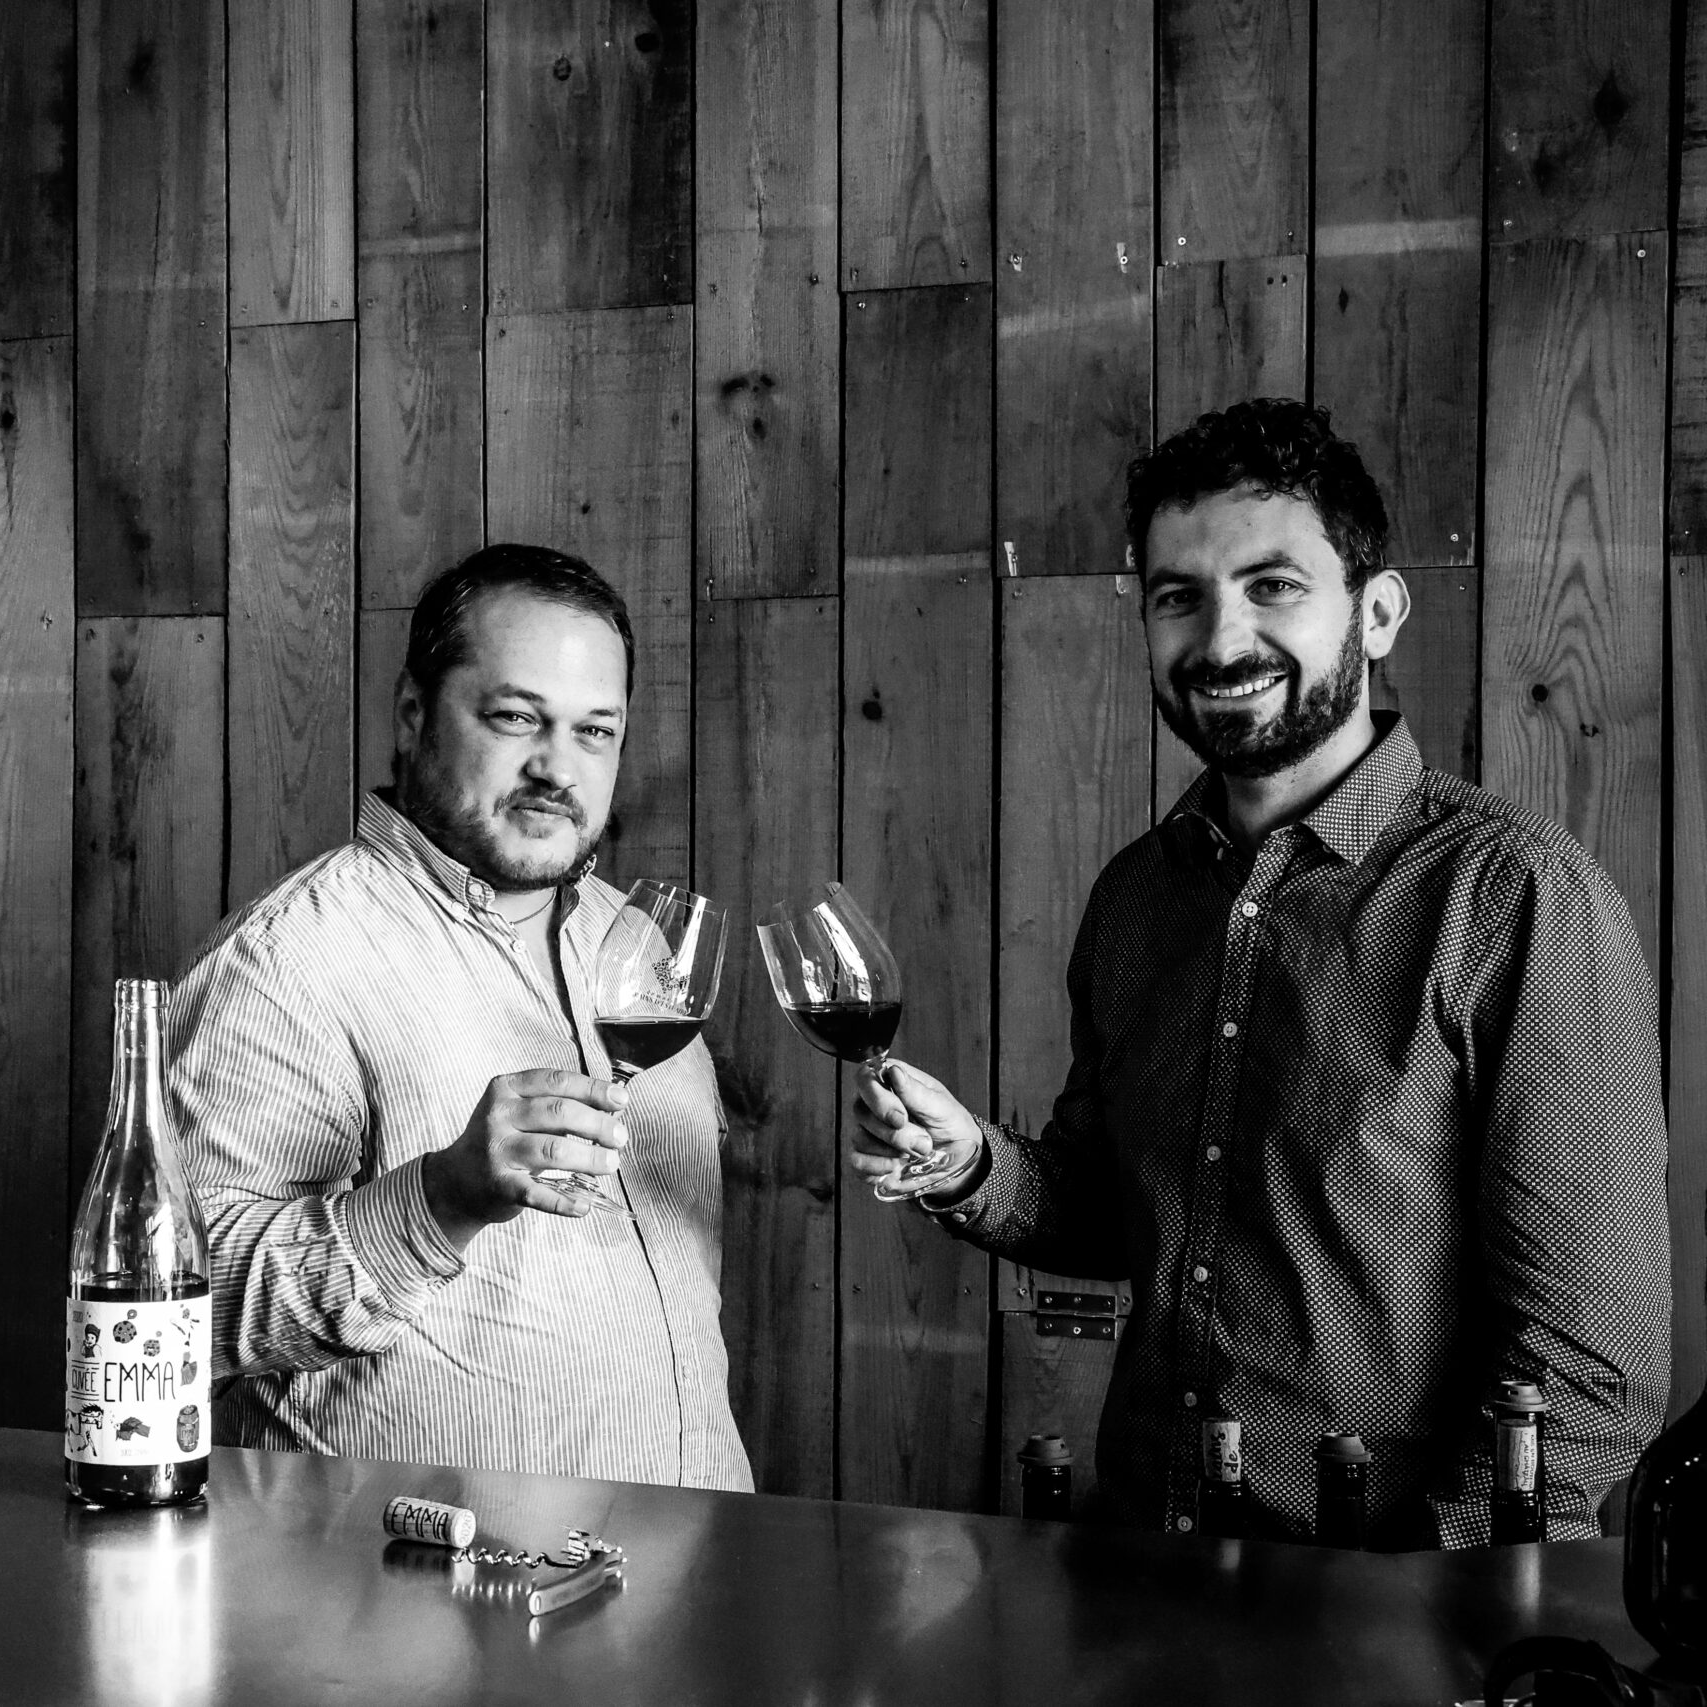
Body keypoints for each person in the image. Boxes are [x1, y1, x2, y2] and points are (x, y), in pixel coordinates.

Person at [852, 398, 1670, 1548]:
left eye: (1273, 586)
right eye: (1178, 597)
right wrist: (969, 1164)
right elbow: (1116, 1215)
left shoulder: (1515, 897)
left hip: (1396, 1607)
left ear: (1377, 612)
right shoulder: (1138, 898)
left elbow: (1588, 1366)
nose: (1222, 640)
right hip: (1140, 1580)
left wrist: (1418, 1602)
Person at [168, 543, 752, 1491]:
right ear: (413, 713)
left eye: (594, 730)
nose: (556, 767)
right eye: (516, 716)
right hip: (420, 1569)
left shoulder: (636, 945)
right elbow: (177, 1318)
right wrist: (439, 1199)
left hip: (691, 1549)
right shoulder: (288, 960)